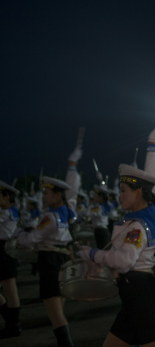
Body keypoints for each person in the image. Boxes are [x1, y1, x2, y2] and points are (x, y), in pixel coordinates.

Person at [79, 124, 155, 346]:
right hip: (134, 293)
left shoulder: (138, 225)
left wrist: (92, 254)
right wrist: (152, 147)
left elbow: (125, 261)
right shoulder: (139, 216)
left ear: (138, 192)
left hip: (141, 293)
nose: (119, 196)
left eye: (124, 190)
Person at [16, 147, 82, 347]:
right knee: (59, 310)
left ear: (56, 195)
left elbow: (32, 239)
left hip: (50, 261)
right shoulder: (68, 212)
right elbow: (74, 187)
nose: (43, 196)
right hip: (61, 259)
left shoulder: (49, 216)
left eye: (46, 193)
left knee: (55, 314)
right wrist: (72, 165)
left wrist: (19, 235)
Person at [0, 181, 22, 339]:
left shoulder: (8, 212)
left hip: (5, 250)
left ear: (7, 196)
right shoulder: (8, 211)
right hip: (3, 250)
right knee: (9, 290)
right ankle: (11, 320)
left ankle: (13, 325)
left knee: (10, 290)